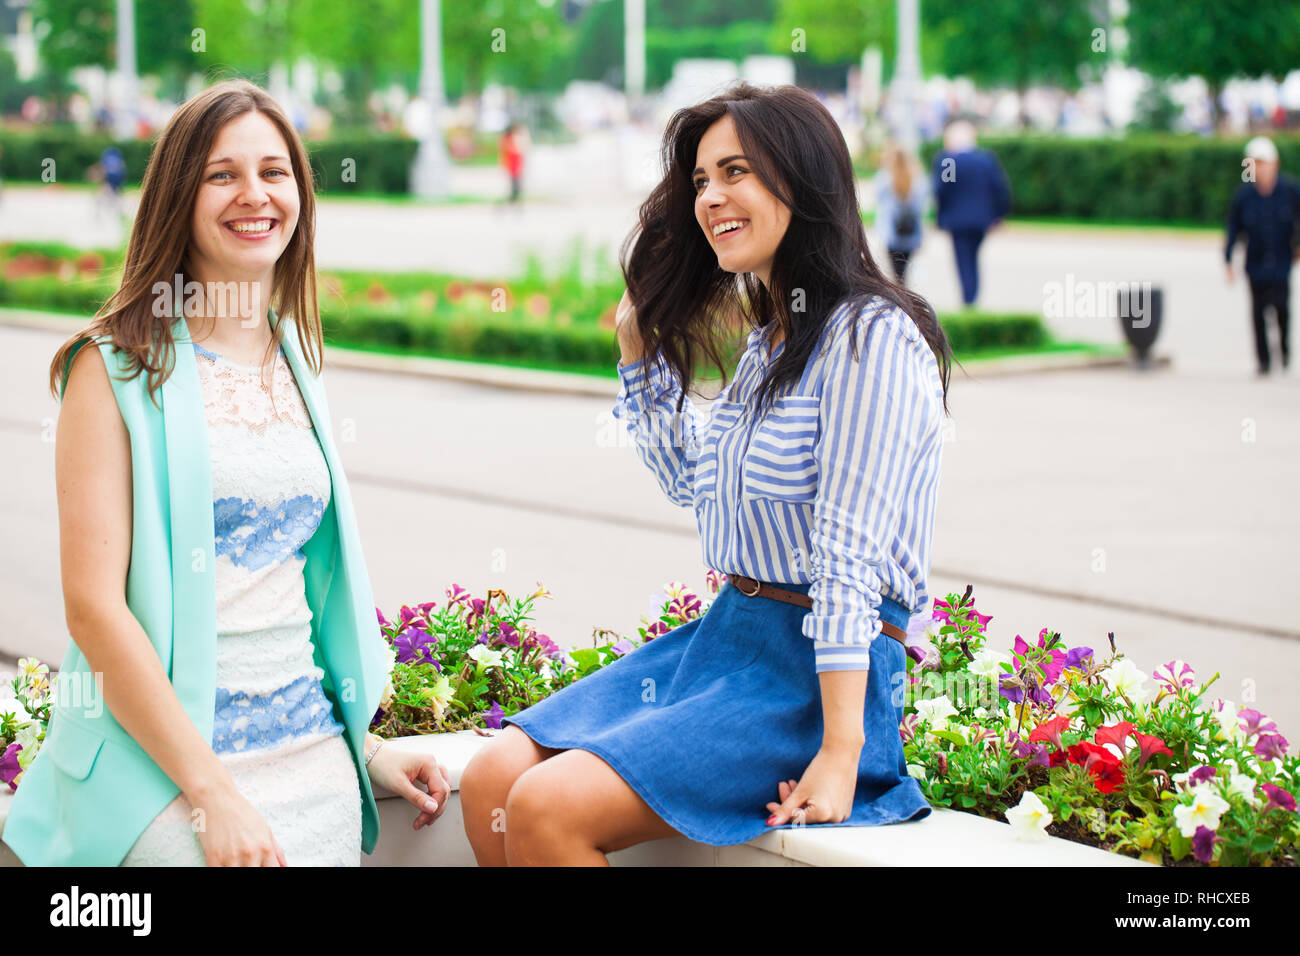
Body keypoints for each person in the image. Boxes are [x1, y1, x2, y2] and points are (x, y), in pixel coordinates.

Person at [460, 82, 952, 866]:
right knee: (492, 779)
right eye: (700, 181)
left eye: (735, 172)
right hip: (727, 641)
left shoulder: (873, 341)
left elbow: (849, 555)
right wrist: (637, 349)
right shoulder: (769, 344)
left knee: (548, 808)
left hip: (808, 679)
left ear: (804, 180)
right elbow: (695, 485)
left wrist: (840, 749)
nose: (711, 197)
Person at [2, 79, 449, 867]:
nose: (255, 195)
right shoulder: (111, 369)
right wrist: (211, 797)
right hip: (170, 774)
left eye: (275, 172)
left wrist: (364, 750)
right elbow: (94, 610)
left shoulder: (293, 355)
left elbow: (285, 588)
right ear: (179, 194)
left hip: (311, 759)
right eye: (223, 174)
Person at [1225, 136, 1300, 376]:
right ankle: (1264, 362)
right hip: (1255, 265)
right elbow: (1233, 230)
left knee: (1282, 311)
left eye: (1263, 162)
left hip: (1281, 262)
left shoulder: (1290, 191)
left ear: (1274, 164)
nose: (1259, 168)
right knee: (1257, 315)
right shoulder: (1244, 197)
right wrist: (1228, 261)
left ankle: (1285, 352)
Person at [931, 119, 1011, 306]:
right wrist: (999, 215)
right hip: (982, 220)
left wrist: (940, 215)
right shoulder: (985, 159)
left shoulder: (949, 161)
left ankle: (969, 298)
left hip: (958, 221)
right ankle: (972, 295)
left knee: (964, 260)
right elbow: (1000, 188)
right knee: (973, 258)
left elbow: (942, 190)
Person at [874, 141, 929, 286]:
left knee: (896, 269)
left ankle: (900, 291)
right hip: (911, 231)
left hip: (891, 232)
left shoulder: (884, 178)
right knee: (904, 269)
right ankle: (903, 289)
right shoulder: (918, 178)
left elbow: (878, 198)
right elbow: (921, 204)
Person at [499, 121, 529, 205]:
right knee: (515, 183)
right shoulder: (509, 137)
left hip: (516, 162)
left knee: (517, 183)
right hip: (513, 163)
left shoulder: (511, 137)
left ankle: (514, 200)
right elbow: (517, 148)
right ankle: (513, 200)